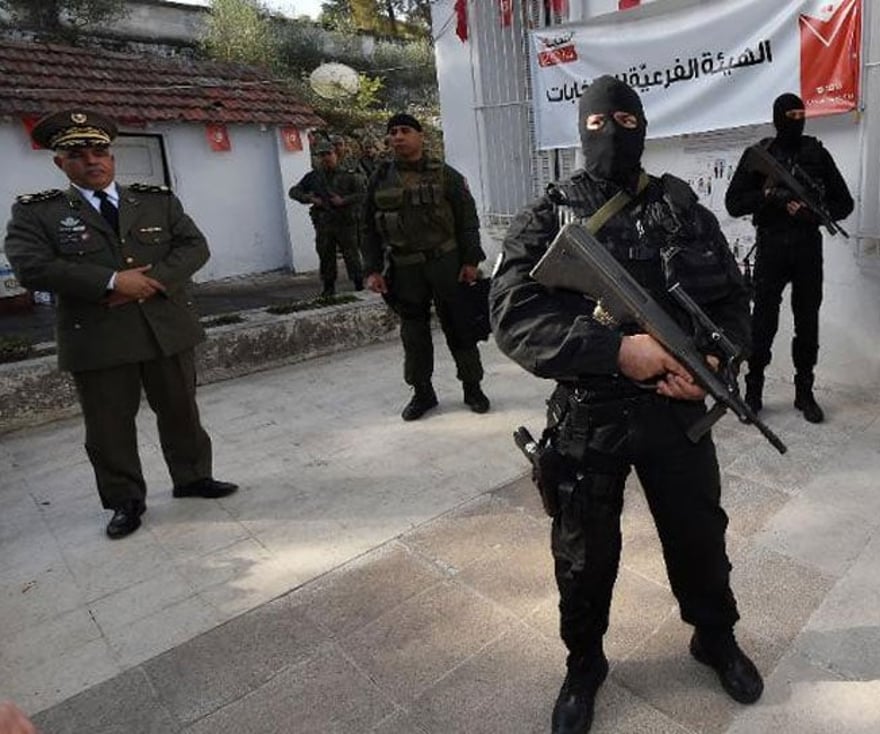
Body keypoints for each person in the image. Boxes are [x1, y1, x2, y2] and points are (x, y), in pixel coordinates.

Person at [491, 76, 763, 734]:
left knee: (699, 539)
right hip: (591, 415)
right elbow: (511, 315)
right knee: (584, 556)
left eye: (623, 118)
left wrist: (715, 364)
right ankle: (583, 663)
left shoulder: (681, 208)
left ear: (642, 125)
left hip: (676, 413)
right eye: (595, 122)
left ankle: (712, 638)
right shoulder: (548, 215)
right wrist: (614, 352)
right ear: (579, 128)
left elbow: (730, 298)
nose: (610, 132)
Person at [4, 110, 238, 539]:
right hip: (98, 335)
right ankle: (125, 501)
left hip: (164, 328)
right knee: (109, 425)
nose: (92, 161)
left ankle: (192, 477)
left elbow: (194, 246)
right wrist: (112, 281)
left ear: (112, 156)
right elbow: (31, 267)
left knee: (181, 410)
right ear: (60, 163)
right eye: (77, 154)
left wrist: (148, 284)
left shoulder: (155, 200)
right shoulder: (37, 213)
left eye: (100, 151)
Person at [725, 93, 853, 423]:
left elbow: (844, 204)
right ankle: (753, 391)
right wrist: (770, 197)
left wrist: (811, 214)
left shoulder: (816, 153)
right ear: (777, 117)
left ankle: (804, 393)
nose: (797, 120)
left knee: (807, 323)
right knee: (763, 322)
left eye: (801, 113)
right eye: (790, 114)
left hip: (808, 248)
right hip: (771, 247)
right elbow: (734, 203)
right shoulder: (760, 155)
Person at [361, 112, 490, 420]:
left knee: (460, 326)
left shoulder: (446, 174)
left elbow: (467, 220)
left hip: (446, 263)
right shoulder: (379, 179)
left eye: (405, 130)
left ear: (420, 136)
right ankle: (422, 393)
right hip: (405, 269)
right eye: (392, 132)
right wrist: (372, 269)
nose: (398, 137)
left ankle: (472, 387)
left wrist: (471, 261)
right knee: (414, 334)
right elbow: (366, 227)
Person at [288, 139, 365, 297]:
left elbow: (363, 193)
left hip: (345, 222)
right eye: (321, 155)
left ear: (335, 154)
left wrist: (343, 200)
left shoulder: (349, 175)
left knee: (352, 255)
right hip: (324, 223)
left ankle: (359, 284)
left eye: (328, 153)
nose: (325, 158)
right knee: (326, 255)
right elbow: (294, 191)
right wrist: (310, 198)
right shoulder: (314, 177)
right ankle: (328, 287)